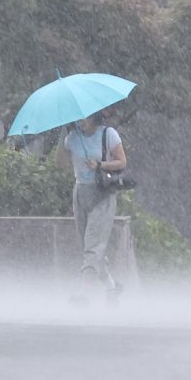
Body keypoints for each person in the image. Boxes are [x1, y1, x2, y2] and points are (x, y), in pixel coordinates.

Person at [56, 111, 126, 301]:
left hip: (102, 193)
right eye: (78, 117)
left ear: (94, 115)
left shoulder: (108, 134)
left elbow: (122, 161)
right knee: (87, 246)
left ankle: (84, 293)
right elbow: (61, 163)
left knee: (93, 247)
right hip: (80, 192)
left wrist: (100, 164)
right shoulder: (72, 137)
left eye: (85, 116)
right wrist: (64, 131)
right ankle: (112, 287)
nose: (81, 120)